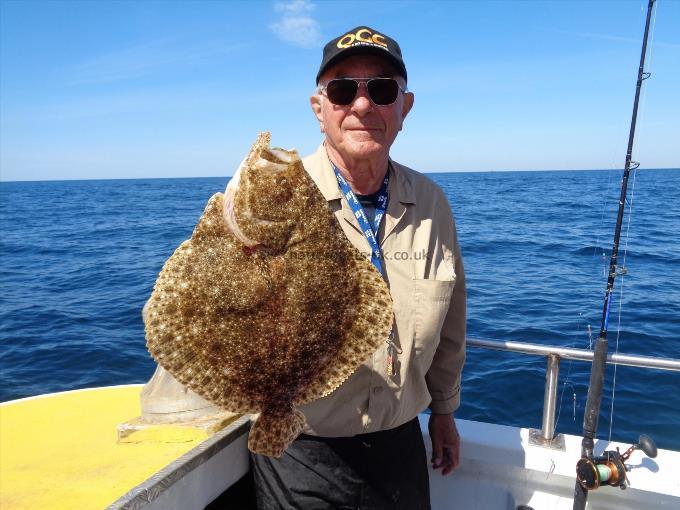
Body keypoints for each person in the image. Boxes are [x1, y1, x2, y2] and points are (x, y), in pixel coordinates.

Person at [251, 26, 466, 510]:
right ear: (319, 108)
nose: (364, 106)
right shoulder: (272, 197)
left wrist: (445, 413)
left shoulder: (432, 203)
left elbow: (451, 323)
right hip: (298, 446)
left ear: (404, 107)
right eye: (344, 90)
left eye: (383, 90)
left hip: (400, 445)